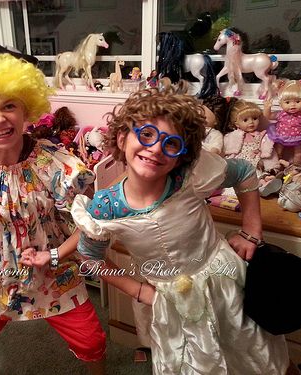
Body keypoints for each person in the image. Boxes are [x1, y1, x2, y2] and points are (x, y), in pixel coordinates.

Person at [65, 88, 289, 374]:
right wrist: (139, 291)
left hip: (225, 281)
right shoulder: (104, 209)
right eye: (146, 135)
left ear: (182, 155)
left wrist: (251, 230)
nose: (156, 148)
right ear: (122, 138)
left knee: (249, 350)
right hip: (169, 300)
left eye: (171, 143)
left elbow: (244, 172)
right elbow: (90, 257)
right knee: (191, 361)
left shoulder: (188, 177)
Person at [0, 53, 106, 375]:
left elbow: (91, 218)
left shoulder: (55, 161)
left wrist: (55, 254)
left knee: (91, 342)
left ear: (26, 109)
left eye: (8, 106)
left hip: (53, 269)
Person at [264, 79, 301, 165]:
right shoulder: (280, 114)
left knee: (299, 154)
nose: (292, 105)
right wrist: (267, 108)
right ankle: (276, 166)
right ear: (280, 103)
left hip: (298, 138)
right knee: (277, 151)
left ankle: (295, 168)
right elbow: (268, 116)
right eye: (287, 102)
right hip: (281, 137)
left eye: (297, 101)